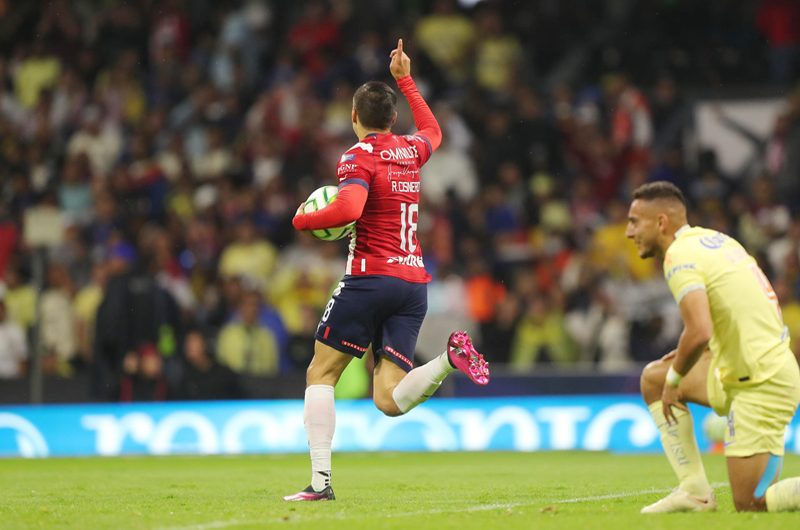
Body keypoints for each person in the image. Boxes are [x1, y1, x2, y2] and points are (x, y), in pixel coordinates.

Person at [283, 39, 489, 502]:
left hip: (369, 278)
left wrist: (302, 219)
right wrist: (406, 80)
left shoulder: (357, 156)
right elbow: (434, 131)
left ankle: (320, 484)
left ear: (354, 118)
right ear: (394, 119)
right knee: (389, 399)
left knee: (321, 374)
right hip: (412, 282)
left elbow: (350, 207)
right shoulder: (411, 151)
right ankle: (447, 361)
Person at [626, 181, 800, 513]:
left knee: (751, 503)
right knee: (654, 378)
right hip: (743, 370)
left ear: (660, 222)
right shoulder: (713, 241)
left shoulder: (679, 257)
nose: (628, 232)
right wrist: (687, 361)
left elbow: (700, 329)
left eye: (635, 221)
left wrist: (676, 381)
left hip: (762, 384)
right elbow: (731, 313)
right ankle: (695, 492)